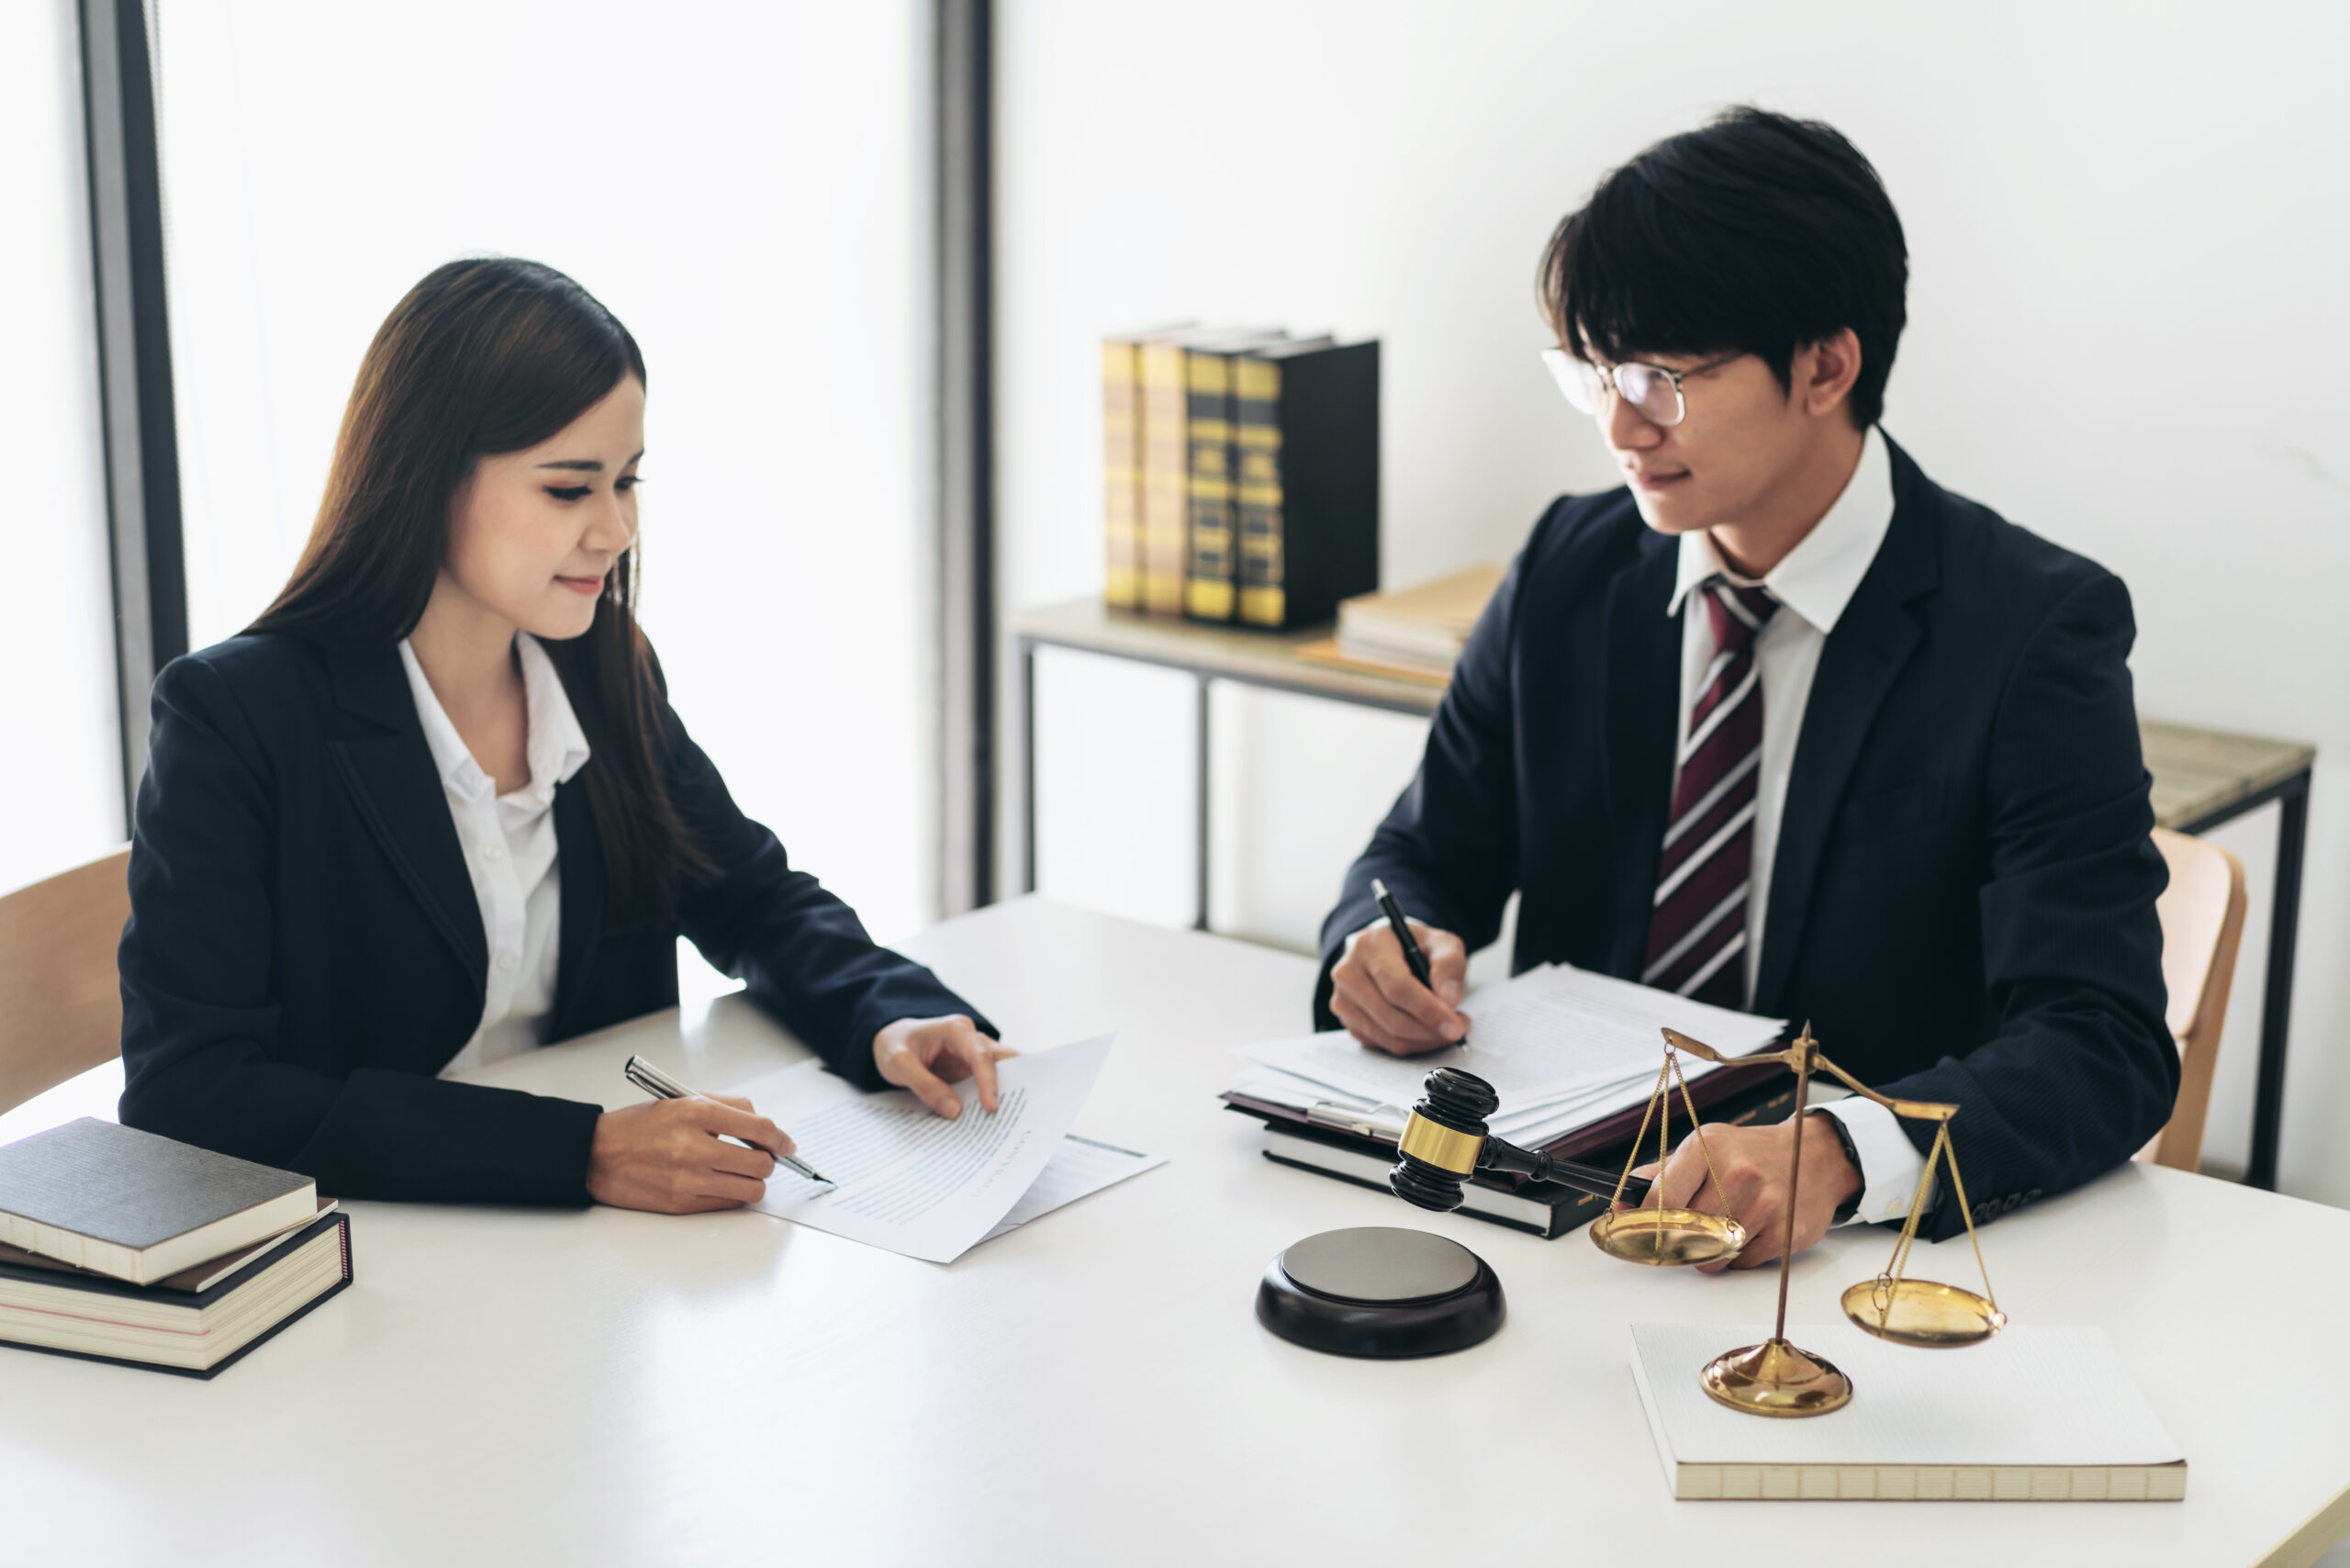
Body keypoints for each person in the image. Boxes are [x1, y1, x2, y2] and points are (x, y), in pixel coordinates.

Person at [1318, 107, 2173, 1268]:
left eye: (1664, 377)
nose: (1621, 426)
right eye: (1598, 373)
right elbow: (1418, 854)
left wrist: (1837, 1147)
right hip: (1562, 1226)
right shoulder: (1572, 568)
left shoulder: (2030, 631)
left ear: (1826, 365)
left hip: (1851, 1274)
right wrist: (1384, 944)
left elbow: (2100, 1040)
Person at [118, 257, 1006, 1213]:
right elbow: (192, 1094)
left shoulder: (597, 666)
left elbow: (752, 897)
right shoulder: (238, 716)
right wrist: (579, 1153)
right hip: (374, 1254)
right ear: (428, 476)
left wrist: (888, 1012)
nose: (617, 527)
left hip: (599, 1277)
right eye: (568, 489)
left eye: (626, 481)